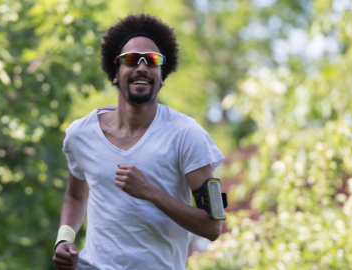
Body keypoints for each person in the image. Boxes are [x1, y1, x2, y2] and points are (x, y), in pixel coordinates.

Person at [53, 14, 225, 270]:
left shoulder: (187, 134)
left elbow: (211, 227)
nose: (142, 67)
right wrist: (64, 239)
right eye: (131, 59)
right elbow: (76, 197)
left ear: (162, 76)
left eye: (153, 61)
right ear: (115, 74)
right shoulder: (81, 134)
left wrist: (150, 192)